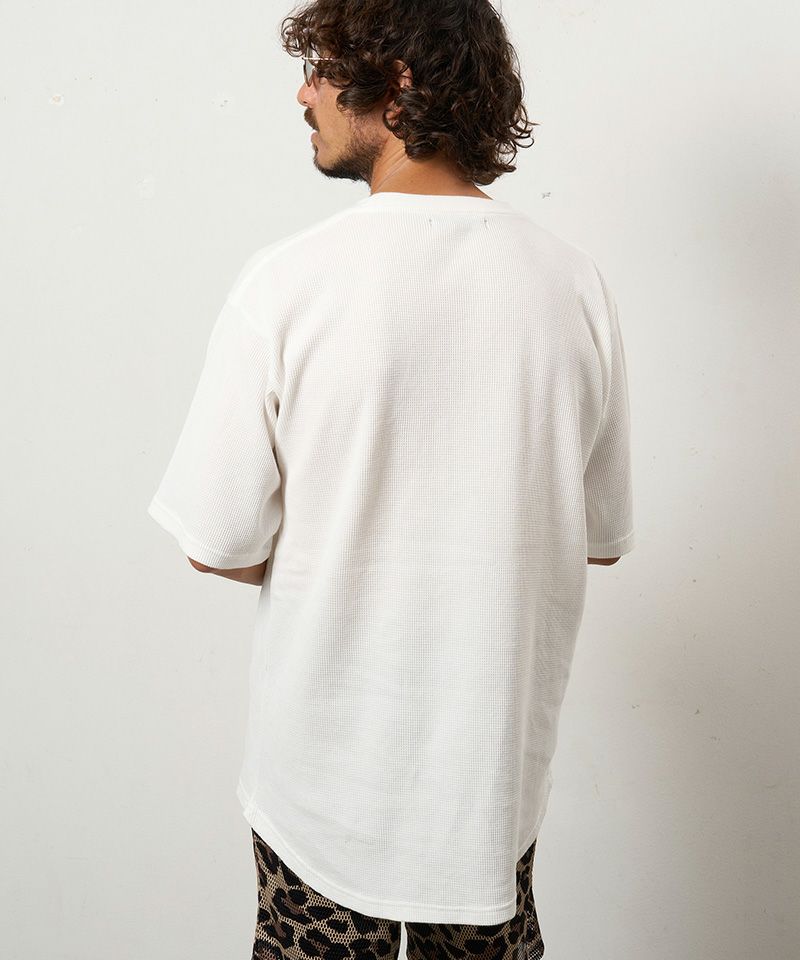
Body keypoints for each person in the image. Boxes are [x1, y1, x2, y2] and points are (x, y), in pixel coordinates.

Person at [147, 1, 635, 957]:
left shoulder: (288, 283)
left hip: (323, 791)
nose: (305, 94)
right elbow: (597, 535)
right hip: (489, 791)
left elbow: (220, 544)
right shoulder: (571, 284)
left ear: (398, 81)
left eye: (324, 71)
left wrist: (344, 546)